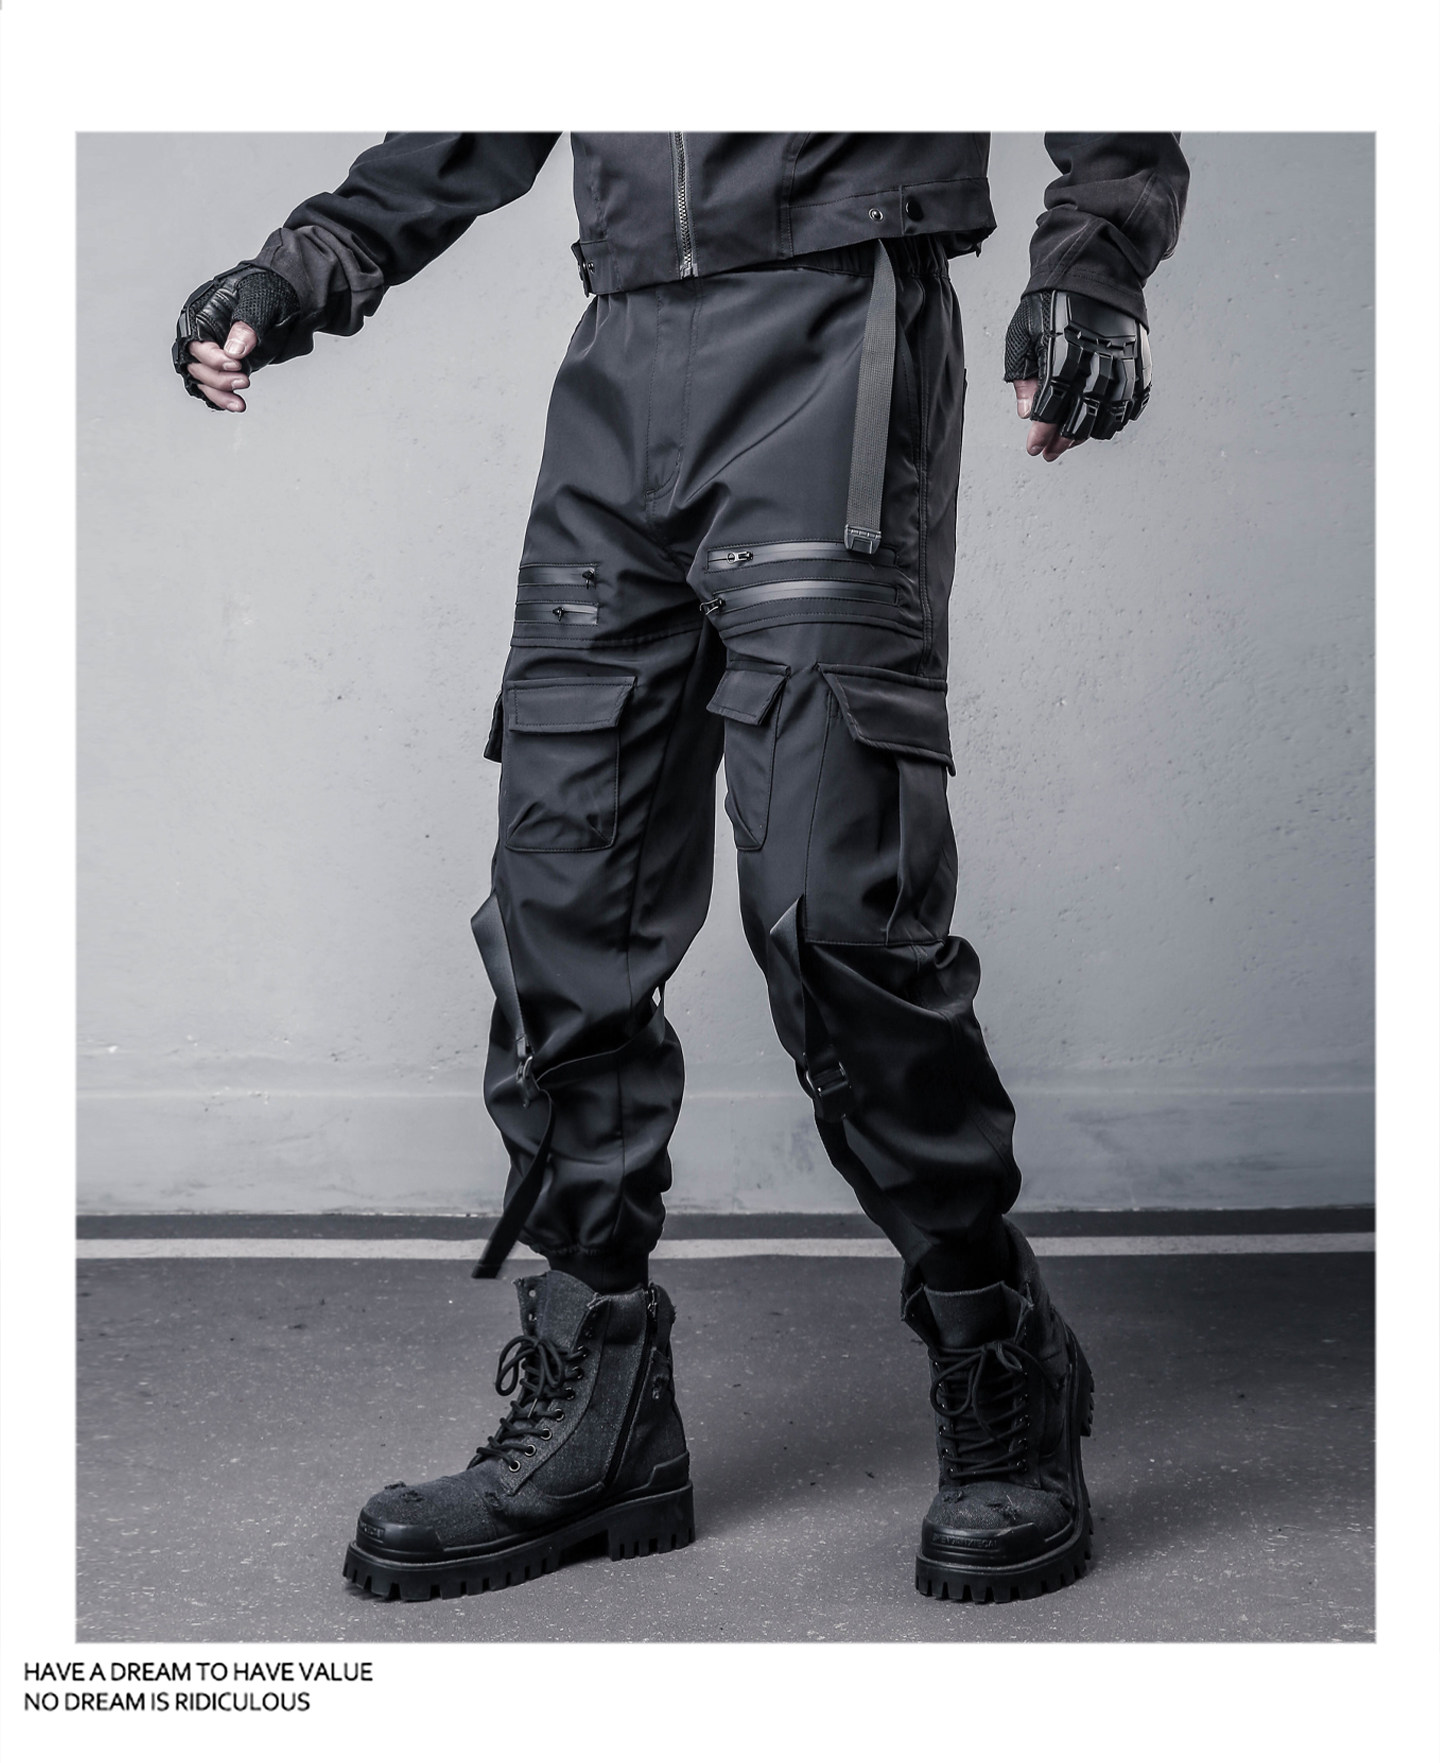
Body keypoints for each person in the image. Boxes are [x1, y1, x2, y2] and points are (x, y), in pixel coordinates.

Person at [175, 132, 1188, 1605]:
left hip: (838, 338)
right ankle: (600, 1408)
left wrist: (1093, 267)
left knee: (837, 918)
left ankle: (996, 1346)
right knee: (561, 906)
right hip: (624, 364)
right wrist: (305, 265)